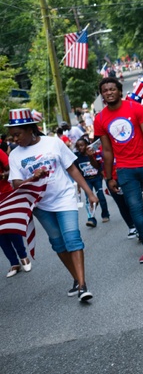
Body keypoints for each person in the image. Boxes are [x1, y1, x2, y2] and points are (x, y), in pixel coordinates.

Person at [6, 108, 98, 301]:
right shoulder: (14, 155)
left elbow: (71, 168)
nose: (14, 139)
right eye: (12, 136)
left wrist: (89, 193)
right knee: (58, 243)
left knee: (72, 238)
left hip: (64, 197)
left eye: (17, 134)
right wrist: (32, 177)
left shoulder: (54, 143)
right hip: (40, 205)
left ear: (30, 129)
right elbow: (15, 184)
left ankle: (83, 286)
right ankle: (76, 278)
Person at [94, 78, 143, 263]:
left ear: (119, 91)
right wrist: (109, 177)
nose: (109, 92)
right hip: (124, 169)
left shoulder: (135, 108)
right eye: (105, 90)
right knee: (135, 208)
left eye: (112, 89)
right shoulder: (100, 119)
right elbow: (107, 151)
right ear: (102, 94)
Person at [0, 142, 32, 278]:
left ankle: (23, 256)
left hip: (4, 193)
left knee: (11, 227)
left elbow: (10, 170)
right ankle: (14, 263)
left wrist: (1, 176)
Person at [74, 138, 110, 227]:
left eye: (82, 145)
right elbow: (77, 172)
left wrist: (106, 178)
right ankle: (91, 219)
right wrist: (79, 186)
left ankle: (105, 214)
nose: (80, 148)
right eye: (78, 146)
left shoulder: (93, 154)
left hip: (97, 178)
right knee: (88, 199)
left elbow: (99, 166)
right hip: (86, 180)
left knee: (100, 196)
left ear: (87, 145)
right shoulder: (76, 158)